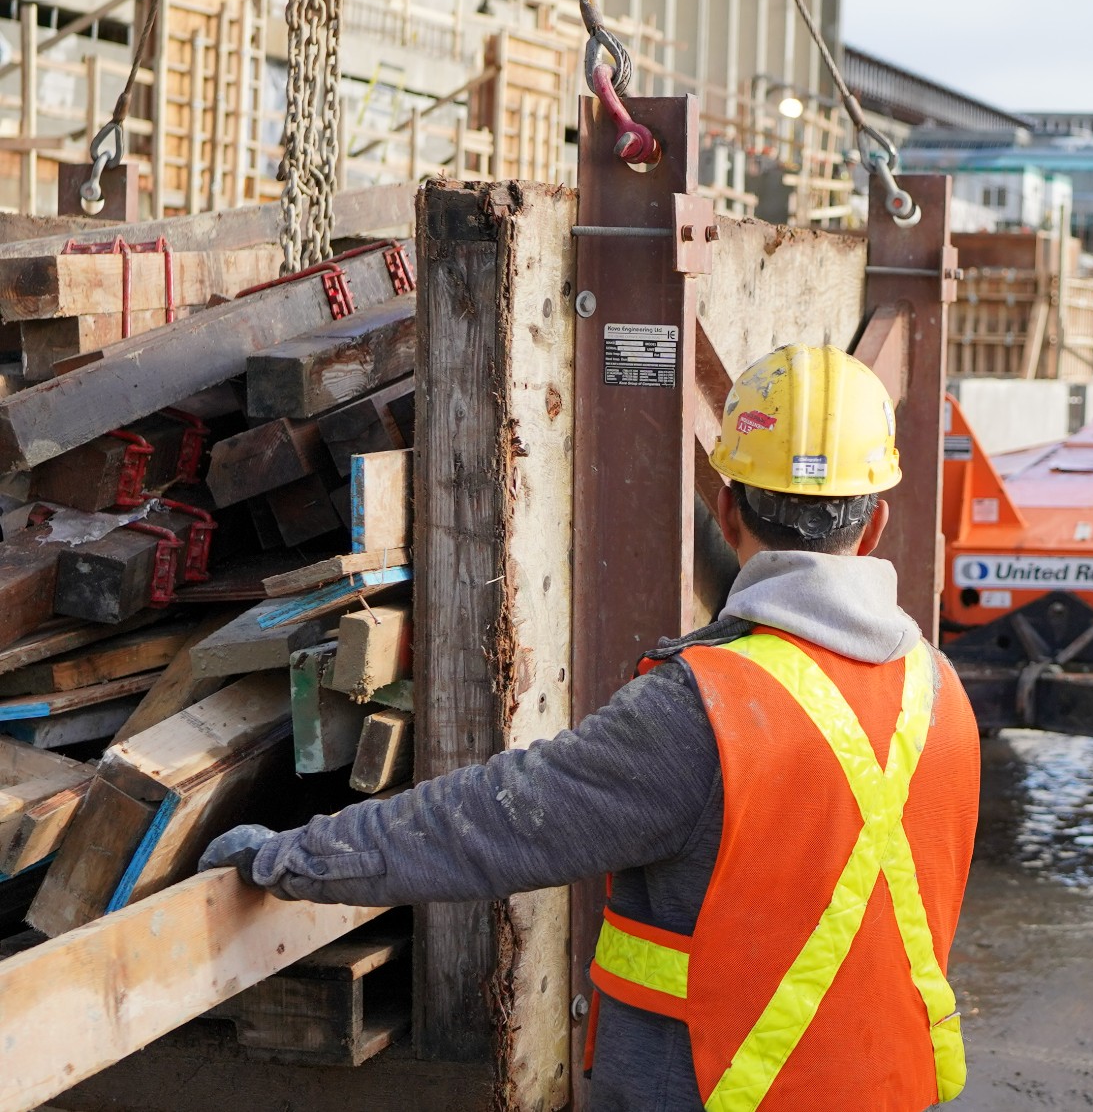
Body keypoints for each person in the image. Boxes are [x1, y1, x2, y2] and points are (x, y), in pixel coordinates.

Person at [200, 345, 981, 1112]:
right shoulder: (942, 695)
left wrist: (285, 858)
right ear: (873, 525)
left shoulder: (703, 710)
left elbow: (481, 823)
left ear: (727, 508)